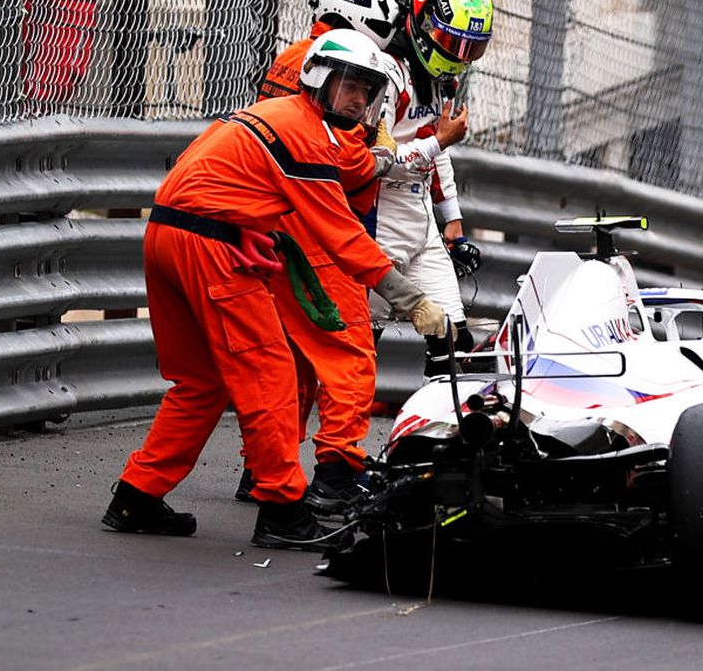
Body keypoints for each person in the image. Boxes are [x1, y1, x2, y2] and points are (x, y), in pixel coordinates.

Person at [101, 28, 450, 551]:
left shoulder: (276, 116)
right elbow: (343, 238)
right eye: (350, 85)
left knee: (201, 382)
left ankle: (136, 494)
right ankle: (284, 509)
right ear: (318, 80)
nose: (359, 100)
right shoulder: (305, 137)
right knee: (270, 373)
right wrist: (414, 301)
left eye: (368, 90)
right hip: (211, 246)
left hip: (169, 235)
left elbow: (221, 178)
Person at [235, 0, 446, 514]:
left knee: (296, 361)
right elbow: (343, 159)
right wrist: (381, 157)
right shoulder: (337, 66)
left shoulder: (294, 57)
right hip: (320, 234)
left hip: (282, 227)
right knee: (351, 355)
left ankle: (264, 465)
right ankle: (337, 469)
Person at [372, 0, 493, 376]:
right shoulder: (385, 74)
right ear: (423, 22)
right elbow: (375, 162)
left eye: (469, 47)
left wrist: (453, 221)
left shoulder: (438, 81)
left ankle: (439, 436)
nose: (460, 56)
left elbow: (437, 152)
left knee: (454, 341)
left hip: (420, 221)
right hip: (377, 219)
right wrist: (438, 140)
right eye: (452, 41)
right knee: (360, 344)